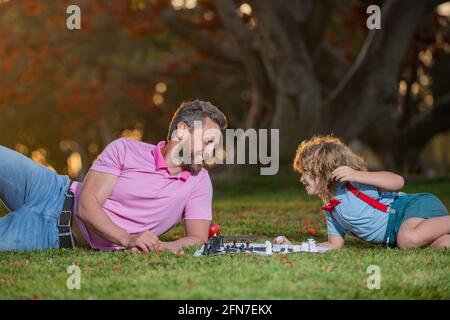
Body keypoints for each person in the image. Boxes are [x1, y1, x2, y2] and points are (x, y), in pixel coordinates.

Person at [0, 100, 227, 252]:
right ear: (182, 131)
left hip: (55, 233)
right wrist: (128, 239)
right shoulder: (125, 149)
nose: (209, 152)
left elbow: (198, 238)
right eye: (207, 141)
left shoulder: (199, 181)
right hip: (51, 189)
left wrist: (156, 247)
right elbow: (87, 206)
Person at [274, 135, 450, 249]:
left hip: (411, 209)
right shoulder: (331, 208)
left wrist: (357, 174)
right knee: (443, 244)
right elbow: (333, 244)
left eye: (307, 172)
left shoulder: (353, 183)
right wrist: (294, 248)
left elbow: (398, 182)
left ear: (325, 169)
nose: (302, 178)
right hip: (404, 230)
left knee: (407, 239)